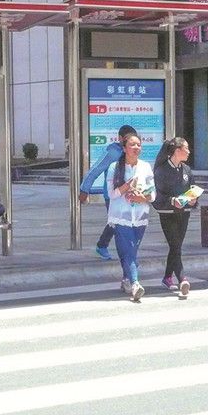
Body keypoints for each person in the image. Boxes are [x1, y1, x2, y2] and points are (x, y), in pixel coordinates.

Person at [106, 133, 155, 302]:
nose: (136, 148)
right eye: (132, 145)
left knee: (129, 252)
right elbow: (111, 194)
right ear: (124, 148)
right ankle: (135, 284)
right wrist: (127, 186)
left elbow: (153, 193)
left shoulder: (145, 167)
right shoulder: (114, 167)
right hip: (121, 216)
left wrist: (142, 197)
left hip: (140, 216)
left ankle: (126, 279)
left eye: (138, 145)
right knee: (129, 251)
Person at [78, 124, 137, 261]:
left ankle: (104, 245)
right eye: (127, 139)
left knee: (123, 221)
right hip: (112, 195)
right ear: (120, 138)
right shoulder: (113, 153)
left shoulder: (133, 152)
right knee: (118, 222)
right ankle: (110, 249)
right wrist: (84, 189)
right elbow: (95, 170)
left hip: (128, 194)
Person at [152, 137, 197, 296]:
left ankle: (167, 277)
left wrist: (193, 200)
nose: (189, 152)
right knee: (175, 244)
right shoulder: (161, 170)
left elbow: (192, 188)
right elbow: (157, 196)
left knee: (176, 246)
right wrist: (172, 201)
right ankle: (182, 278)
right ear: (177, 150)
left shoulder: (187, 170)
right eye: (186, 148)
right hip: (168, 213)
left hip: (184, 213)